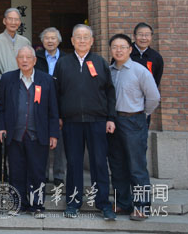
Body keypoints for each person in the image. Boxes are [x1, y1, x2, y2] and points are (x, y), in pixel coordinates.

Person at [53, 24, 117, 220]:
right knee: (73, 163)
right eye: (78, 37)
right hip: (71, 122)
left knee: (99, 163)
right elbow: (56, 93)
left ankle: (103, 203)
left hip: (97, 120)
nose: (82, 40)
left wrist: (110, 118)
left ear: (92, 41)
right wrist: (58, 117)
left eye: (85, 37)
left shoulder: (100, 62)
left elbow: (110, 92)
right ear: (72, 41)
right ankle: (73, 203)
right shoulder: (63, 63)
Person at [0, 46, 59, 218]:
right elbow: (1, 107)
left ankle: (36, 206)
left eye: (28, 57)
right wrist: (1, 127)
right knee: (16, 172)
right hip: (14, 134)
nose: (24, 60)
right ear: (17, 60)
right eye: (21, 57)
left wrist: (53, 134)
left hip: (38, 134)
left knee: (37, 172)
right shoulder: (7, 79)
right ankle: (18, 204)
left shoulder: (46, 80)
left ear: (35, 60)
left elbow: (53, 110)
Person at [107, 34, 160, 221]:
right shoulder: (108, 71)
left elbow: (154, 97)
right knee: (117, 164)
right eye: (115, 47)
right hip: (113, 122)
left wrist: (143, 114)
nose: (118, 50)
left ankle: (141, 206)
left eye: (122, 47)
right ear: (110, 50)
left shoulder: (140, 71)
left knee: (137, 166)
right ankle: (122, 202)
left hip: (134, 120)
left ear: (130, 49)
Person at [34, 27, 66, 187]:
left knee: (59, 142)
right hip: (41, 103)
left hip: (60, 103)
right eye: (47, 38)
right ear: (42, 41)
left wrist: (62, 114)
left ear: (59, 41)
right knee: (42, 141)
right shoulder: (37, 58)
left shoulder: (66, 59)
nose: (50, 41)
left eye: (53, 38)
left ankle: (59, 175)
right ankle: (44, 173)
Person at [0, 8, 31, 74]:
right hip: (2, 79)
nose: (13, 22)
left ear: (19, 22)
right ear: (4, 21)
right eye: (10, 19)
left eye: (16, 19)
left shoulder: (25, 42)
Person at [130, 22, 163, 88]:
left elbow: (156, 82)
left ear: (151, 37)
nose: (144, 38)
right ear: (134, 36)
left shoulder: (156, 57)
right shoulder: (125, 53)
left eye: (147, 35)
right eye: (140, 34)